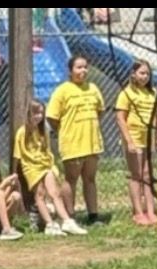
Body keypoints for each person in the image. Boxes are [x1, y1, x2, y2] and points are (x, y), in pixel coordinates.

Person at [46, 55, 106, 223]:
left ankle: (93, 215)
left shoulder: (93, 88)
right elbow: (52, 117)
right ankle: (69, 216)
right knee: (71, 179)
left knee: (90, 178)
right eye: (79, 67)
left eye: (85, 67)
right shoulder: (62, 90)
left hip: (92, 142)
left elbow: (100, 111)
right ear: (70, 71)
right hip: (72, 143)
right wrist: (65, 130)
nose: (83, 71)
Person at [14, 99, 85, 236]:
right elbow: (17, 155)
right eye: (36, 113)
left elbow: (47, 150)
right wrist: (13, 172)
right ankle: (50, 224)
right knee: (40, 194)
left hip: (46, 165)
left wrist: (52, 165)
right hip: (32, 168)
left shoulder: (43, 131)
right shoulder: (22, 132)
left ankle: (67, 221)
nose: (39, 116)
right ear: (29, 113)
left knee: (55, 193)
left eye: (41, 113)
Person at [114, 59, 157, 225]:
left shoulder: (152, 93)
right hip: (134, 138)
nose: (145, 76)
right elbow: (120, 118)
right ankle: (138, 212)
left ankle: (150, 211)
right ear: (133, 74)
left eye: (147, 73)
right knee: (136, 175)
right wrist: (129, 141)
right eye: (141, 73)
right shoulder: (126, 93)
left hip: (148, 139)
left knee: (146, 175)